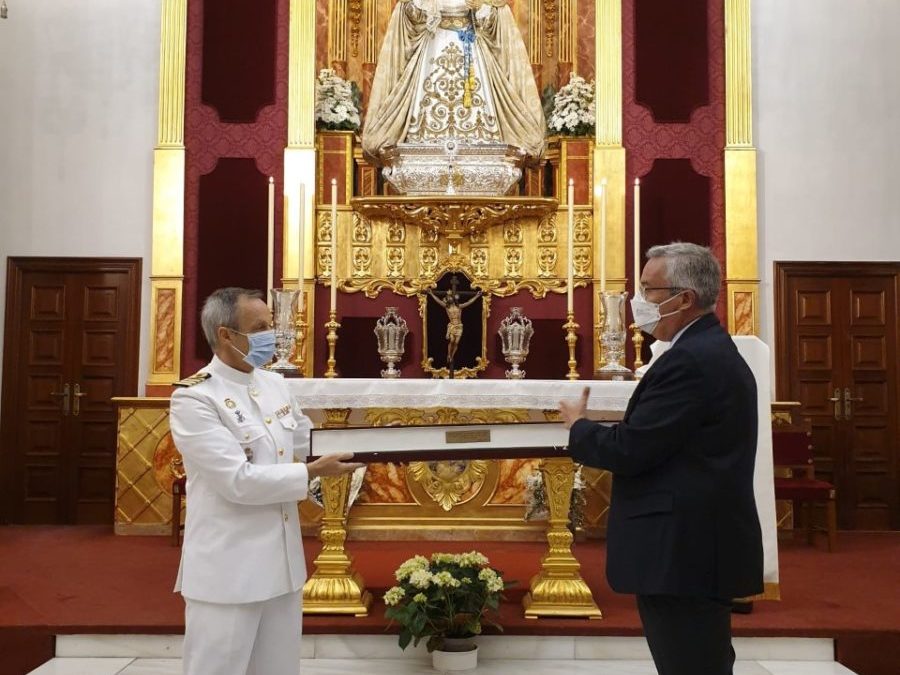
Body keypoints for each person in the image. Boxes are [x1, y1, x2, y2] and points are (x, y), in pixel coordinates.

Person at [558, 243, 763, 675]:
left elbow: (632, 450)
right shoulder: (705, 350)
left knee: (690, 663)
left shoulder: (691, 360)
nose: (640, 301)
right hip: (696, 544)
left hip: (684, 550)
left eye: (649, 290)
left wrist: (579, 427)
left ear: (684, 298)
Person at [169, 287, 363, 675]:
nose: (271, 335)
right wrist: (312, 472)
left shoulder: (274, 384)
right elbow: (237, 481)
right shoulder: (196, 398)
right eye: (259, 328)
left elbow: (306, 441)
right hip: (230, 568)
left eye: (270, 325)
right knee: (218, 668)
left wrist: (380, 446)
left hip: (281, 565)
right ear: (226, 335)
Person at [362, 0, 545, 161]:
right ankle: (424, 150)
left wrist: (481, 8)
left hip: (470, 46)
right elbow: (411, 14)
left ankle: (480, 152)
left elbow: (494, 20)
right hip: (434, 45)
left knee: (477, 102)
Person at [428, 287, 482, 366]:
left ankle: (451, 356)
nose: (449, 299)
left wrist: (477, 296)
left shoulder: (459, 306)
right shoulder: (447, 307)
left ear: (453, 299)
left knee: (456, 342)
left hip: (459, 326)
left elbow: (469, 302)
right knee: (452, 340)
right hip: (452, 326)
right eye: (448, 298)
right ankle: (448, 354)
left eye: (450, 297)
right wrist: (431, 294)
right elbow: (438, 301)